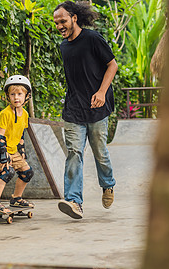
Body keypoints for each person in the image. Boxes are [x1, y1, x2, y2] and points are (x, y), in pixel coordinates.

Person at [53, 1, 117, 219]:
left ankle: (108, 185)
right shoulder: (63, 46)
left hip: (98, 108)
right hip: (74, 109)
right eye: (56, 23)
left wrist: (101, 92)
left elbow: (112, 65)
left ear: (74, 18)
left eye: (63, 21)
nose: (59, 25)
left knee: (100, 152)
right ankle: (73, 201)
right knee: (74, 153)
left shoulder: (92, 39)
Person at [0, 75, 35, 213]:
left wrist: (22, 151)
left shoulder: (24, 114)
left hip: (13, 149)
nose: (16, 97)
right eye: (12, 94)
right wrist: (4, 155)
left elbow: (21, 135)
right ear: (8, 97)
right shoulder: (5, 113)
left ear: (27, 96)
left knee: (27, 172)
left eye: (20, 94)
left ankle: (16, 199)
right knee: (6, 172)